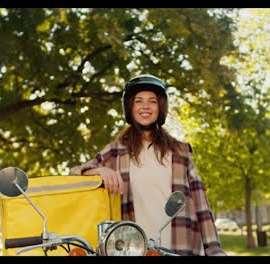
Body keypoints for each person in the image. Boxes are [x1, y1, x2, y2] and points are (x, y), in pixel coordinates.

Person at [69, 74, 226, 256]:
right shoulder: (114, 152)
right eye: (138, 101)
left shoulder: (180, 153)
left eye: (152, 101)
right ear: (130, 107)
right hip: (132, 250)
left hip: (178, 250)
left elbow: (202, 208)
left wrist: (215, 251)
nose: (145, 106)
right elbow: (74, 174)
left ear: (161, 107)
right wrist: (98, 170)